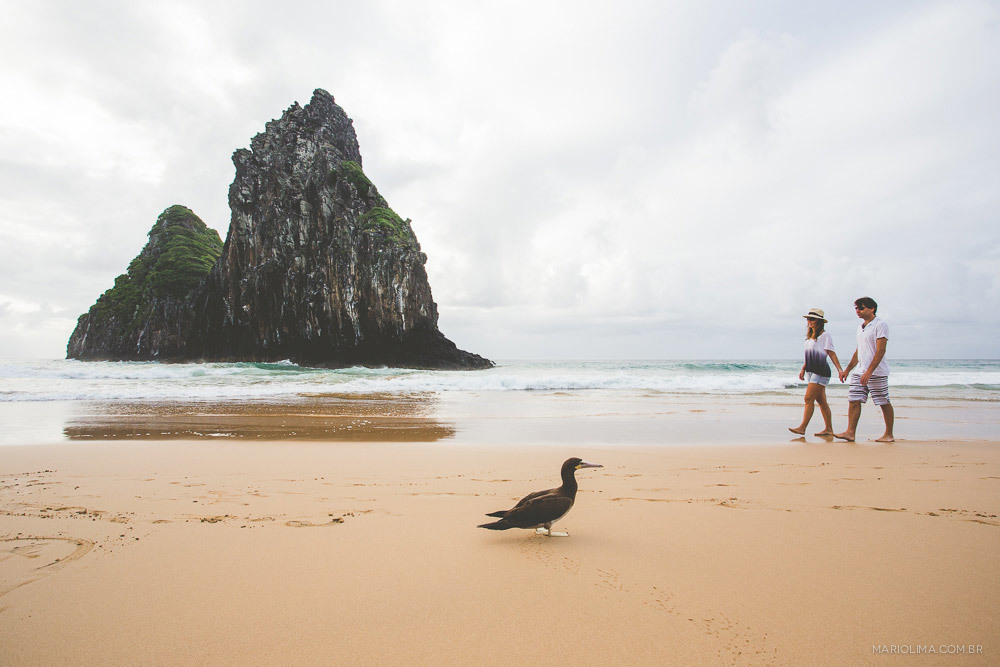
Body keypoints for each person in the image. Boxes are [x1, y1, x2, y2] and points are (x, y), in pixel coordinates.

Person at [835, 297, 894, 442]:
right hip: (859, 371)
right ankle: (850, 432)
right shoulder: (860, 327)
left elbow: (880, 351)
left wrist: (870, 371)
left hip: (877, 372)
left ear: (871, 308)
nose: (857, 311)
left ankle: (889, 434)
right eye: (856, 308)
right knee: (853, 400)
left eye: (860, 308)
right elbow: (859, 351)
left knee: (883, 401)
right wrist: (847, 370)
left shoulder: (880, 325)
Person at [789, 308, 843, 437]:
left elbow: (831, 353)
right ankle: (829, 429)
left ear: (819, 321)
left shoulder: (825, 336)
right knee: (821, 401)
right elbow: (810, 355)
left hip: (821, 371)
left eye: (812, 319)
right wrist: (803, 368)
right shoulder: (809, 338)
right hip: (810, 371)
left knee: (808, 398)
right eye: (808, 319)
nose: (809, 321)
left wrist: (840, 370)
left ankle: (802, 427)